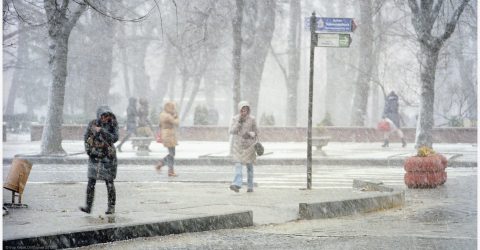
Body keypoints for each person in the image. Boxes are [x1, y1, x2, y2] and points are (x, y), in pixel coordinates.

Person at [80, 105, 119, 214]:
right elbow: (86, 138)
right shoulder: (92, 124)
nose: (106, 118)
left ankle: (111, 207)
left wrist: (102, 131)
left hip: (108, 157)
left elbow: (114, 138)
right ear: (99, 116)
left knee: (109, 182)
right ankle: (88, 206)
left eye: (108, 116)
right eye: (103, 116)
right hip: (94, 156)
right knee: (91, 181)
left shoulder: (113, 124)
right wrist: (89, 151)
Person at [229, 101, 258, 193]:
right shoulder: (235, 119)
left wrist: (251, 134)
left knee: (249, 167)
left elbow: (256, 132)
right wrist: (239, 122)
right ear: (240, 110)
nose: (244, 111)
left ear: (248, 110)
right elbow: (232, 131)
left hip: (249, 146)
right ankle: (237, 184)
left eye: (246, 109)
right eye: (242, 110)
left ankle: (250, 186)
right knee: (238, 165)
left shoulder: (252, 119)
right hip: (238, 146)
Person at [155, 101, 179, 177]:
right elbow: (176, 123)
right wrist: (176, 116)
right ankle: (163, 166)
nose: (173, 109)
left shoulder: (163, 114)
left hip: (166, 134)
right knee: (172, 154)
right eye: (172, 108)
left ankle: (168, 169)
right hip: (169, 135)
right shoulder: (167, 116)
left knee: (172, 154)